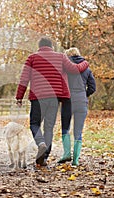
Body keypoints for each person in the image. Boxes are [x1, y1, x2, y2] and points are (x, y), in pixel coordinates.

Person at [15, 37, 89, 167]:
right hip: (54, 97)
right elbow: (75, 69)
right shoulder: (61, 57)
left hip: (37, 97)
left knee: (34, 123)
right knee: (49, 127)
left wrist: (19, 97)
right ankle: (44, 156)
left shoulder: (32, 58)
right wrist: (85, 63)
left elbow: (24, 78)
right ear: (51, 47)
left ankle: (41, 143)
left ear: (39, 46)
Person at [57, 47, 96, 166]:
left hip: (68, 101)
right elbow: (93, 88)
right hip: (81, 102)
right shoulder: (87, 69)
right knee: (78, 131)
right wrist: (84, 95)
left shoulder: (65, 69)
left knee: (65, 127)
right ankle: (76, 160)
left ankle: (67, 154)